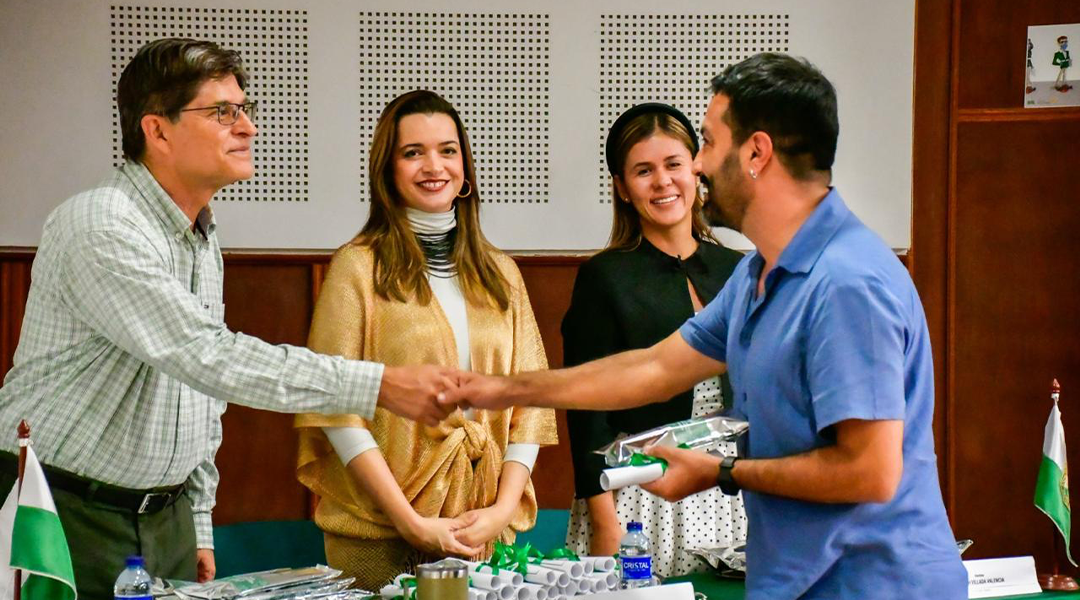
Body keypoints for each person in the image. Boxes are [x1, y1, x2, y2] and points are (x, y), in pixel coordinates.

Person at [443, 53, 968, 599]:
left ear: (757, 154)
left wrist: (722, 473)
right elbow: (654, 368)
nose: (696, 167)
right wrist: (500, 389)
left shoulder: (846, 283)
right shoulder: (758, 274)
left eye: (709, 144)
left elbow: (869, 472)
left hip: (871, 585)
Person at [0, 39, 457, 600]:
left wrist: (196, 517)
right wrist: (379, 384)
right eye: (222, 112)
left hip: (163, 517)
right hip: (66, 511)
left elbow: (199, 395)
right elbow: (207, 356)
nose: (248, 127)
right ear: (157, 130)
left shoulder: (200, 232)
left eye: (245, 109)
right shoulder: (101, 224)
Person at [293, 90, 557, 591]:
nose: (434, 166)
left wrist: (502, 511)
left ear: (466, 166)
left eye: (447, 150)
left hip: (484, 528)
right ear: (388, 170)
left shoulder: (501, 273)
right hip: (380, 529)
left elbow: (532, 405)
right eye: (413, 152)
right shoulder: (357, 267)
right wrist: (411, 522)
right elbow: (335, 406)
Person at [562, 103, 746, 576]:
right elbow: (586, 414)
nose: (663, 182)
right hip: (639, 493)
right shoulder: (604, 277)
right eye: (643, 171)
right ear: (623, 188)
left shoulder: (739, 269)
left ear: (696, 170)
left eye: (673, 165)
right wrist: (605, 522)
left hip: (730, 485)